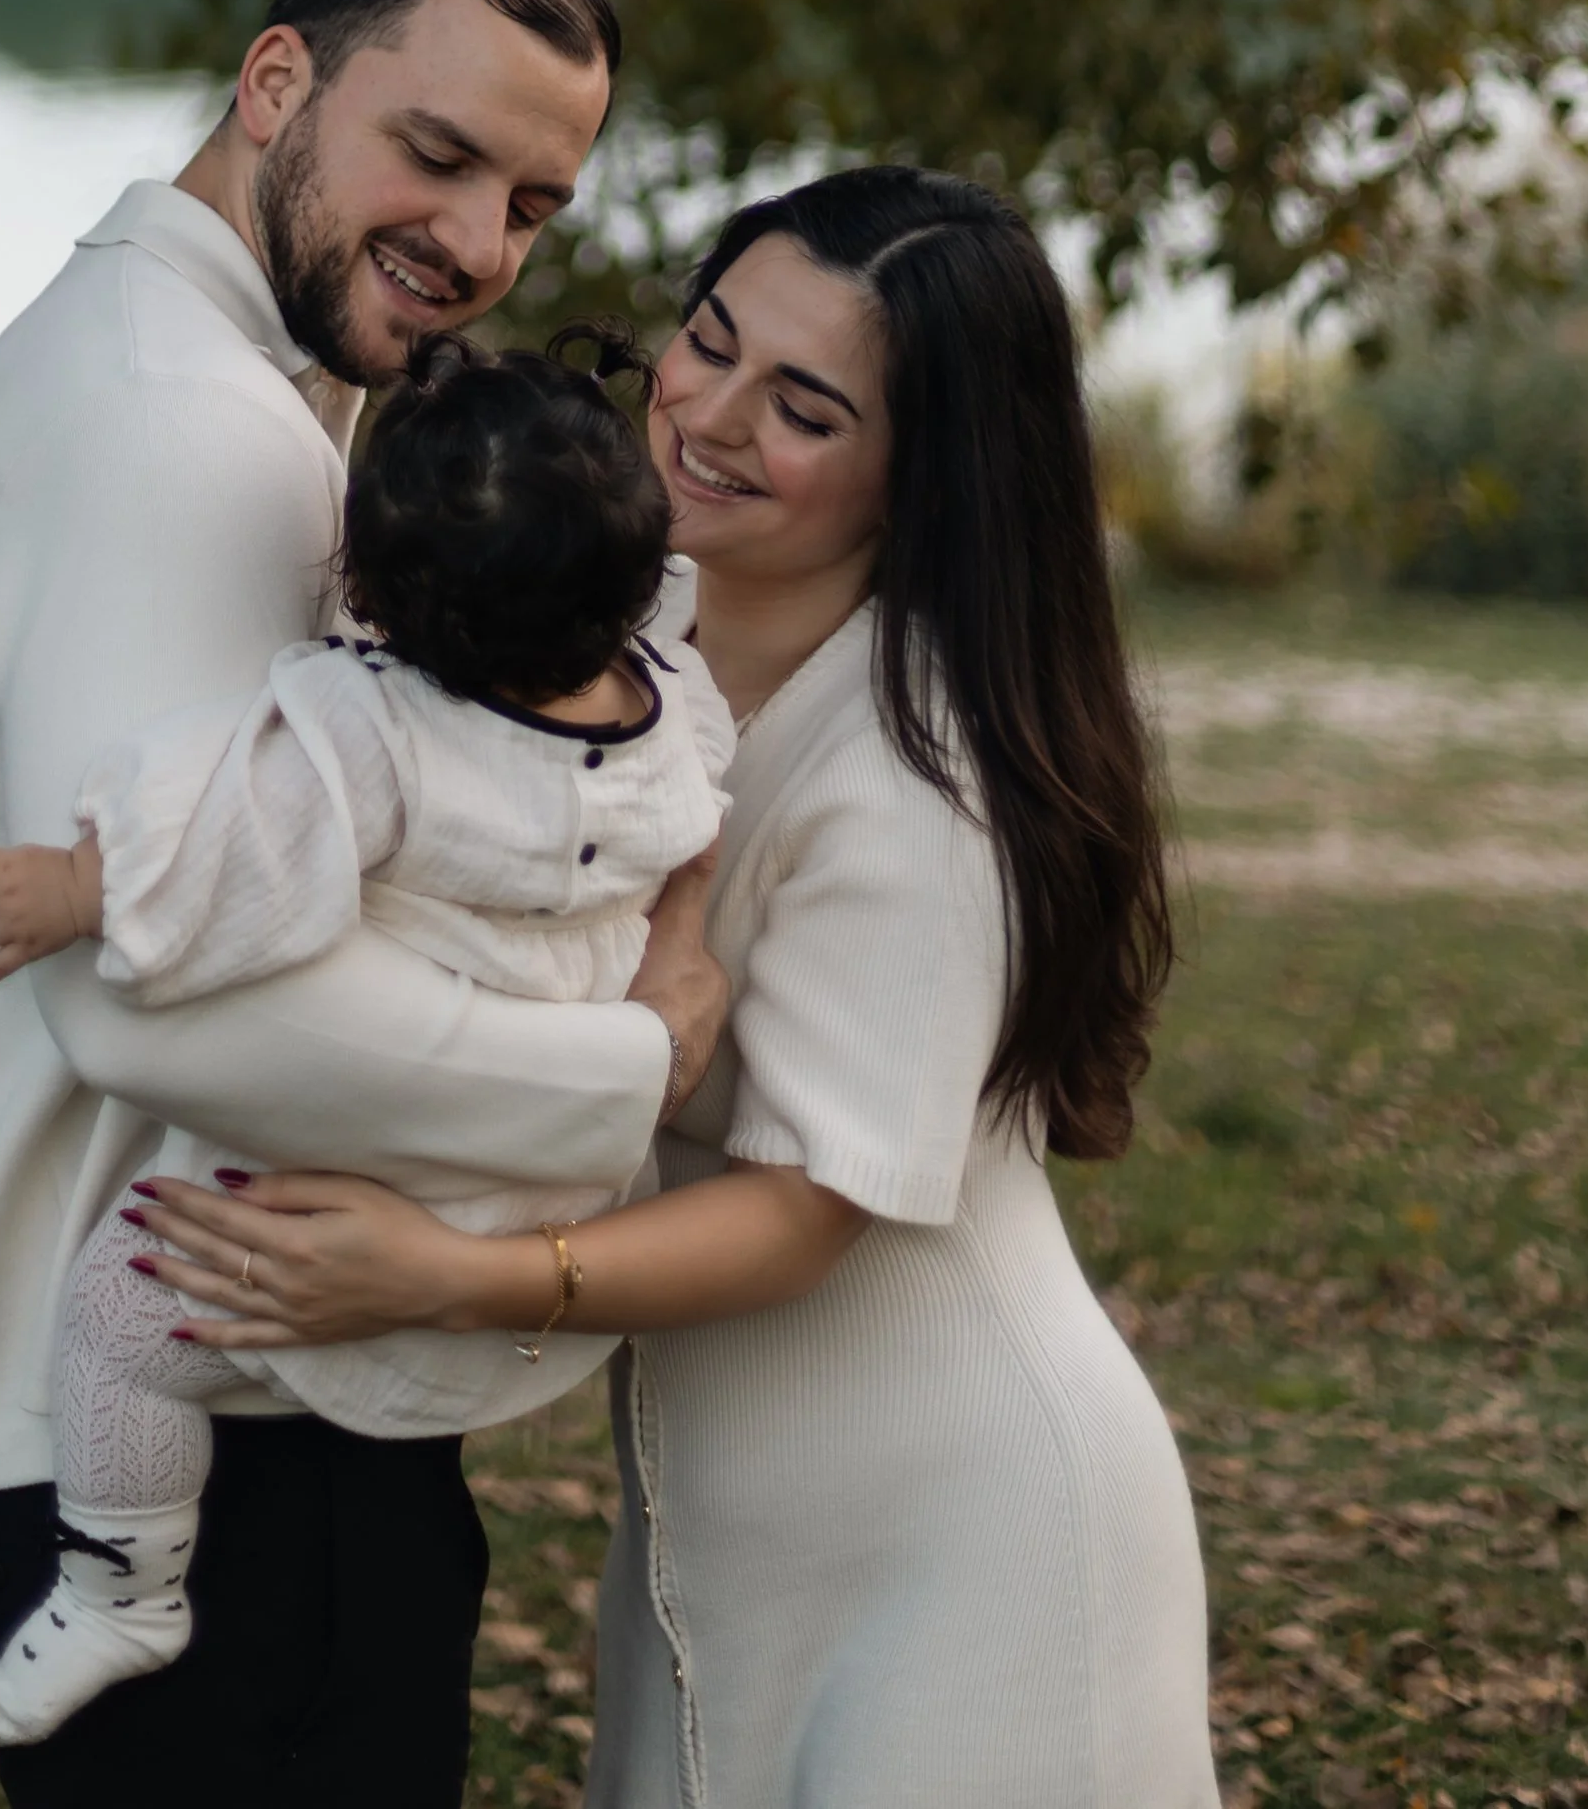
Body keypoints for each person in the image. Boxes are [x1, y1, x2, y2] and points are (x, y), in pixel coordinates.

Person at [134, 165, 1223, 1809]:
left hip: (972, 1533)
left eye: (801, 405)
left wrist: (443, 1272)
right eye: (705, 339)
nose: (703, 413)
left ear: (919, 474)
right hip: (724, 1516)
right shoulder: (615, 619)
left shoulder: (922, 777)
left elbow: (806, 1207)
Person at [0, 0, 728, 1809]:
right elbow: (154, 997)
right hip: (205, 1430)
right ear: (275, 80)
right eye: (436, 154)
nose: (480, 244)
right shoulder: (189, 431)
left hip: (208, 1391)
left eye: (534, 205)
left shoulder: (180, 372)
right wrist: (629, 1064)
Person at [0, 332, 733, 1747]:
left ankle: (124, 1580)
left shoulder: (375, 737)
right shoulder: (674, 714)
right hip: (544, 1190)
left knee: (117, 1317)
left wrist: (78, 884)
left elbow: (226, 859)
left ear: (372, 592)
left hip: (367, 1171)